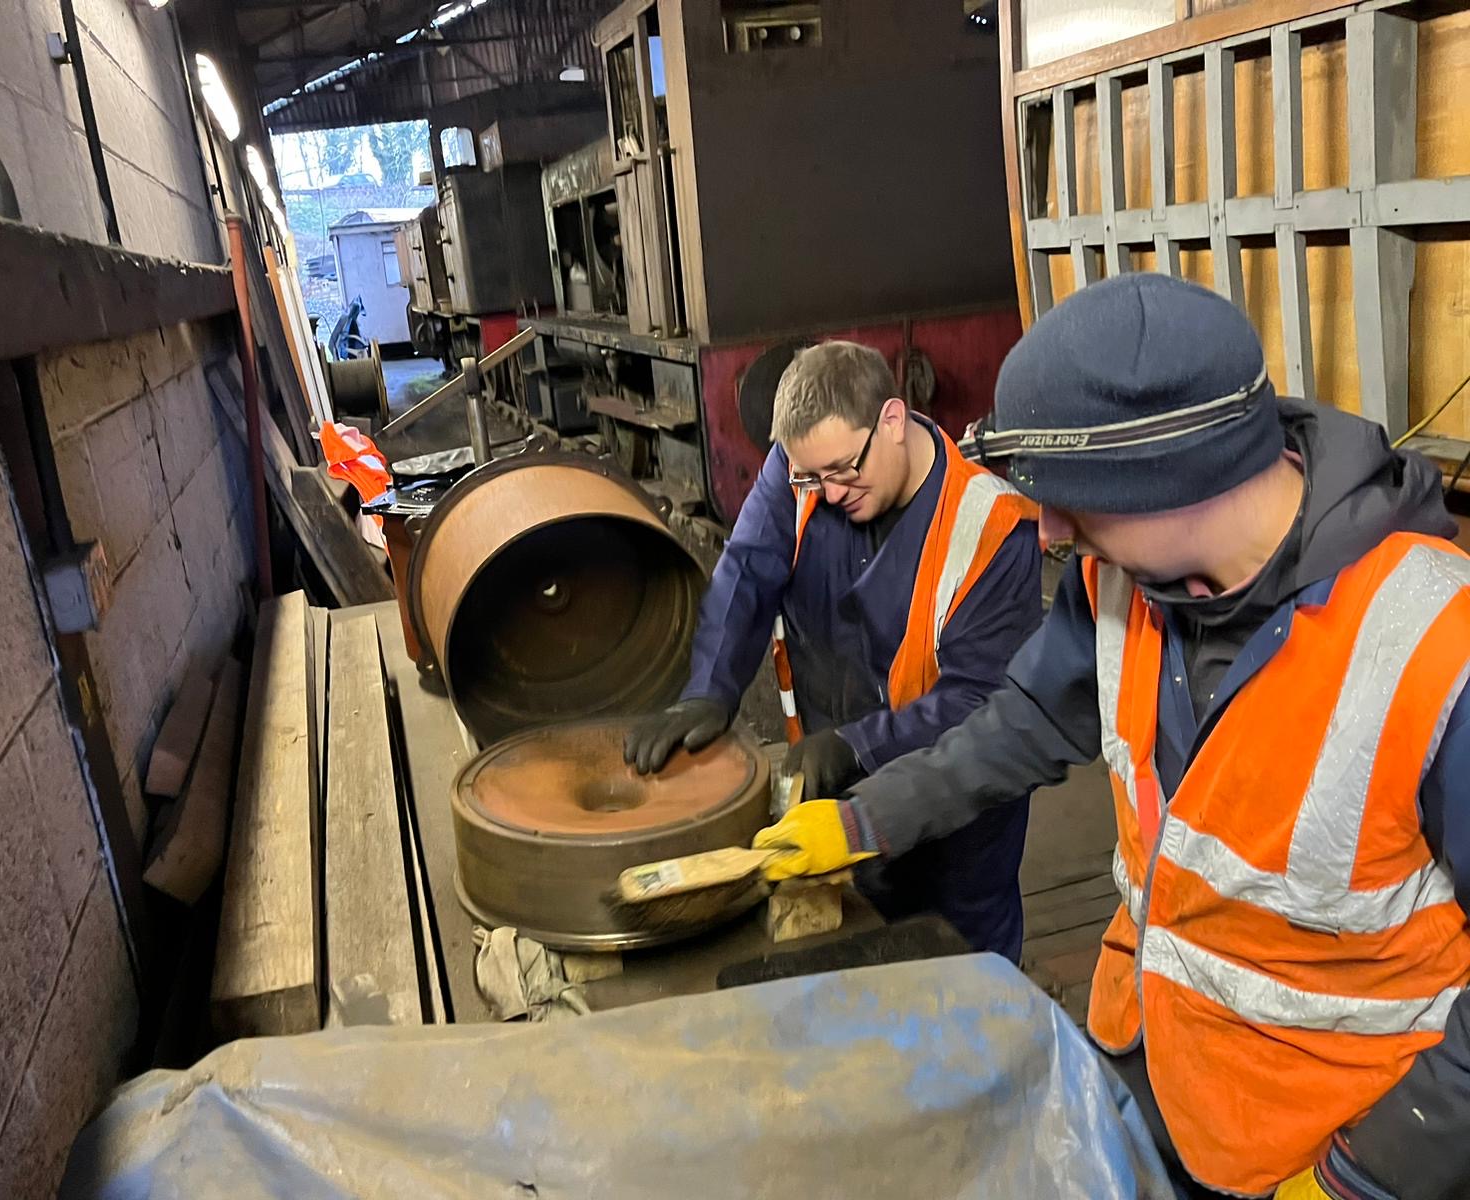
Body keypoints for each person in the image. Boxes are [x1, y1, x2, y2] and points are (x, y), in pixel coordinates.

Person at [751, 273, 1470, 1200]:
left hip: (1324, 1144)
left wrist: (1369, 1174)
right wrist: (863, 820)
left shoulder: (1431, 640)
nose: (1051, 530)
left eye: (1071, 498)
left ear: (1174, 474)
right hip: (1152, 1079)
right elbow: (1019, 725)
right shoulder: (1126, 585)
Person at [624, 340, 1043, 961]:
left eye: (844, 470)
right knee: (857, 955)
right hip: (831, 801)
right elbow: (747, 570)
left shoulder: (990, 528)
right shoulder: (806, 470)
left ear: (892, 421)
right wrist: (708, 690)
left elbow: (981, 700)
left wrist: (858, 745)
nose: (828, 492)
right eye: (810, 477)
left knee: (962, 972)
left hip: (955, 829)